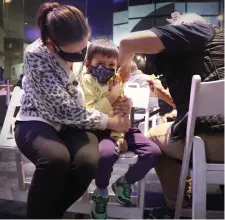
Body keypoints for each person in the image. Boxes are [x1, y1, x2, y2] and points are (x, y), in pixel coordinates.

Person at [14, 3, 130, 219]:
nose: (82, 53)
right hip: (36, 120)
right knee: (55, 159)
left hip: (77, 123)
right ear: (52, 45)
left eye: (85, 46)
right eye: (76, 51)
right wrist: (111, 122)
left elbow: (110, 80)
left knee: (87, 163)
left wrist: (122, 100)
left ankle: (49, 215)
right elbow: (62, 110)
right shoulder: (36, 54)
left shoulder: (88, 50)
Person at [119, 12, 224, 218]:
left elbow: (126, 42)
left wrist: (121, 72)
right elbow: (201, 105)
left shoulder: (198, 31)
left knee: (152, 139)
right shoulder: (217, 48)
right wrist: (163, 95)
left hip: (213, 140)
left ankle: (177, 206)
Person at [82, 39, 161, 219]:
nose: (106, 68)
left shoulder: (116, 79)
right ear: (88, 64)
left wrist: (120, 136)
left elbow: (122, 110)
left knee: (153, 152)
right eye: (100, 63)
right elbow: (90, 111)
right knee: (106, 155)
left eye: (111, 64)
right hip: (101, 129)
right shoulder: (87, 80)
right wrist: (113, 96)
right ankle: (101, 192)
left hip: (122, 128)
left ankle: (124, 182)